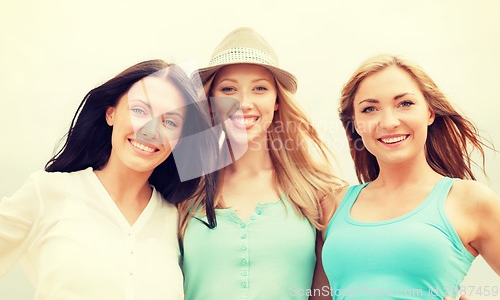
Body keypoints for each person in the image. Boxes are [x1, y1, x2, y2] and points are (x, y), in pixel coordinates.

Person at [0, 59, 218, 299]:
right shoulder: (47, 192)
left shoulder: (178, 221)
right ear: (111, 113)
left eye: (170, 122)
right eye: (139, 110)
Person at [178, 27, 345, 300]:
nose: (244, 103)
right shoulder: (182, 193)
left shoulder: (317, 195)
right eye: (228, 89)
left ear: (277, 101)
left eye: (259, 88)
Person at [321, 55, 500, 299]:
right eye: (369, 109)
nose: (389, 122)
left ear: (429, 112)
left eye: (405, 104)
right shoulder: (333, 205)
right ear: (355, 124)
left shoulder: (469, 200)